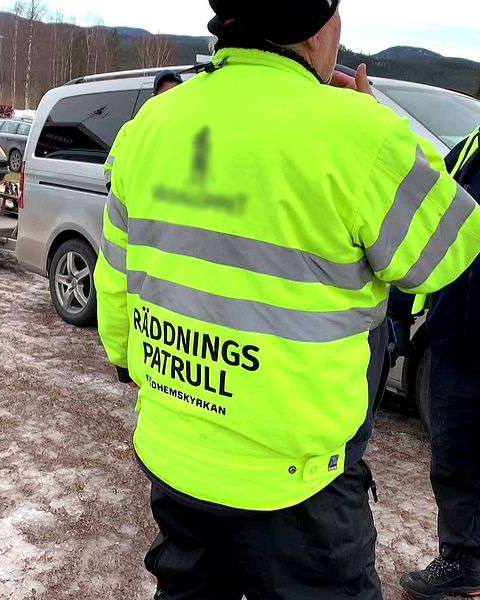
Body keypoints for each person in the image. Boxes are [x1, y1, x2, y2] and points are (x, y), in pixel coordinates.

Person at [95, 0, 480, 597]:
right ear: (316, 30)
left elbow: (115, 277)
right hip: (300, 485)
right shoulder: (360, 134)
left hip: (177, 458)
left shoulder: (150, 125)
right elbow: (446, 253)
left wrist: (133, 363)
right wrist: (381, 129)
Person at [397, 126, 480, 600]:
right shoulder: (472, 143)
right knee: (454, 458)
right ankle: (463, 560)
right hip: (458, 338)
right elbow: (425, 201)